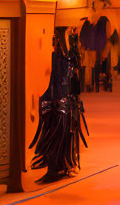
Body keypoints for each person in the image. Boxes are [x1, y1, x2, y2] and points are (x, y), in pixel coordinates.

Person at [30, 30, 89, 182]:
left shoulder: (65, 60)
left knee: (61, 136)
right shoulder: (58, 60)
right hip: (56, 103)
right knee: (55, 137)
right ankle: (57, 167)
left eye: (55, 42)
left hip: (63, 103)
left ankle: (58, 167)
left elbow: (71, 83)